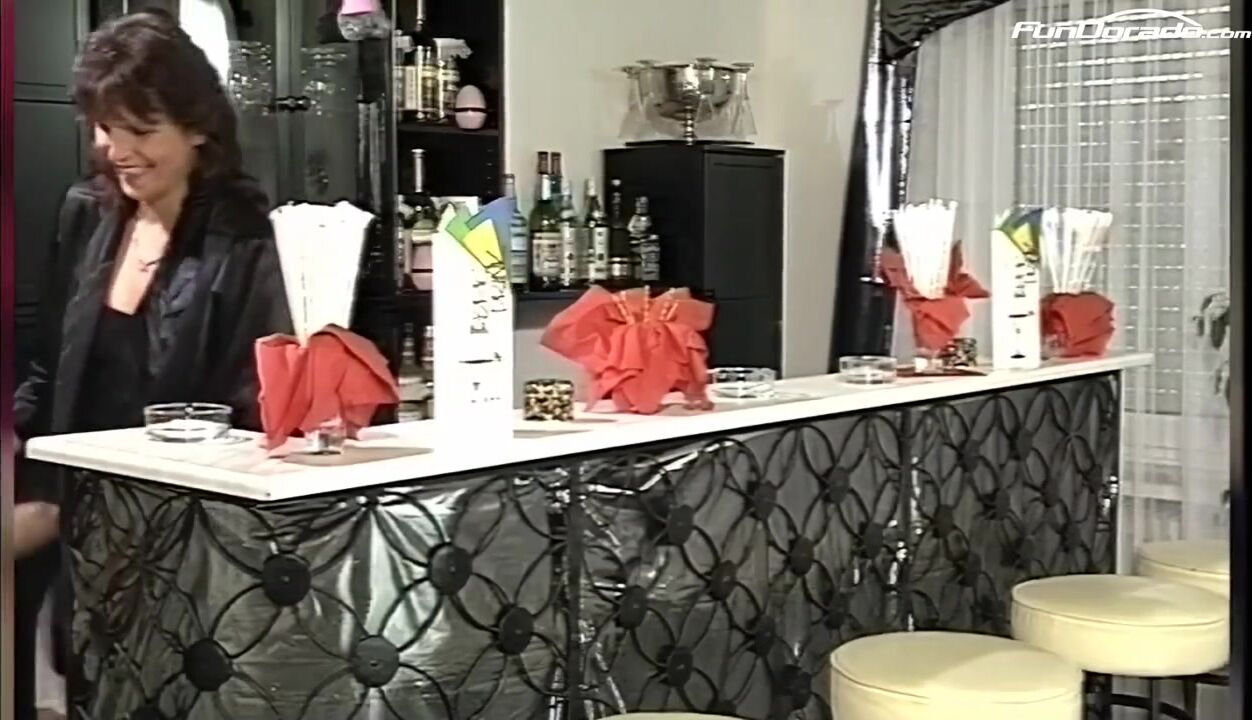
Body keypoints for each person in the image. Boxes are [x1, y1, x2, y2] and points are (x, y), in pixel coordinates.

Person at [10, 9, 292, 718]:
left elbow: (250, 417)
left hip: (184, 542)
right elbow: (46, 373)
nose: (116, 151)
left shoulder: (245, 239)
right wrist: (36, 496)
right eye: (105, 128)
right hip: (75, 521)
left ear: (197, 128)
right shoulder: (85, 212)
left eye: (140, 131)